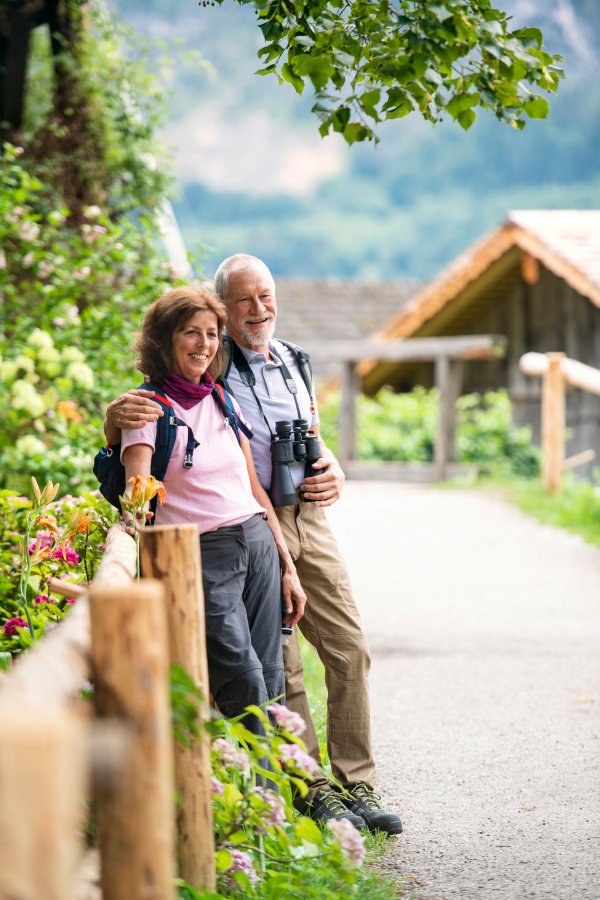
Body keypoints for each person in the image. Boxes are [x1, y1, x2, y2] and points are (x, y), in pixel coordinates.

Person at [104, 259, 403, 836]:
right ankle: (311, 789)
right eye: (241, 301)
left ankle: (355, 779)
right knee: (278, 668)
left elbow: (307, 432)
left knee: (347, 646)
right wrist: (112, 420)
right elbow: (144, 413)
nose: (256, 310)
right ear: (221, 306)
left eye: (264, 296)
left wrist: (331, 465)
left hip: (296, 518)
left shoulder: (293, 361)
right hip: (236, 525)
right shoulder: (211, 368)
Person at [119, 284, 308, 741]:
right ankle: (257, 802)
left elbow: (255, 492)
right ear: (164, 341)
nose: (204, 345)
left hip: (258, 545)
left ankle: (270, 802)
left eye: (211, 334)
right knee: (241, 680)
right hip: (202, 555)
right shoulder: (146, 408)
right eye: (191, 333)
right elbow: (135, 494)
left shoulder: (221, 399)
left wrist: (287, 565)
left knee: (270, 678)